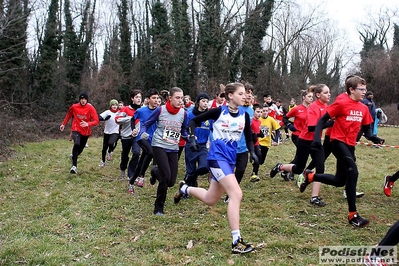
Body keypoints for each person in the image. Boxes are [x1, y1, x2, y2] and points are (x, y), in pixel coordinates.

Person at [174, 82, 258, 254]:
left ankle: (185, 189)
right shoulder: (219, 111)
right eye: (241, 94)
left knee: (210, 199)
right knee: (236, 194)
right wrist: (191, 137)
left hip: (230, 160)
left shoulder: (245, 115)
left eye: (245, 94)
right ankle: (236, 241)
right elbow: (193, 122)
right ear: (230, 96)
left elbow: (249, 137)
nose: (245, 96)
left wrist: (253, 152)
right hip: (216, 159)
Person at [301, 75, 381, 227]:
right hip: (337, 142)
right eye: (361, 89)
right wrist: (317, 139)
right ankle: (353, 215)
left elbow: (367, 130)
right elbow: (322, 120)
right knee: (353, 172)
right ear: (351, 90)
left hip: (350, 145)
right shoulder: (341, 103)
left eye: (365, 89)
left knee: (340, 181)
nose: (364, 92)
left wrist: (374, 138)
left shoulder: (364, 108)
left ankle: (311, 176)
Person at [270, 84, 331, 207]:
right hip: (305, 140)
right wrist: (330, 123)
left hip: (316, 141)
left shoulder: (325, 106)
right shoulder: (313, 108)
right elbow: (312, 127)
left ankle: (314, 197)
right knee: (298, 168)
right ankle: (280, 167)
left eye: (329, 92)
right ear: (318, 95)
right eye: (326, 92)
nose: (329, 94)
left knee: (320, 167)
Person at [139, 87, 188, 215]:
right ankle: (158, 208)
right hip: (159, 145)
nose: (180, 100)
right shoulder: (161, 110)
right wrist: (143, 132)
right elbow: (146, 123)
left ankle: (155, 171)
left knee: (171, 182)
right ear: (170, 98)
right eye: (177, 98)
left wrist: (188, 137)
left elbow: (183, 130)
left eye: (181, 98)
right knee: (165, 177)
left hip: (173, 147)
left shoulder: (184, 113)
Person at [127, 89, 159, 193]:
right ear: (148, 100)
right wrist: (134, 129)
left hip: (152, 139)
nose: (156, 100)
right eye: (153, 98)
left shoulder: (159, 111)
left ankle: (131, 183)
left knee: (141, 161)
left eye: (157, 98)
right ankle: (141, 176)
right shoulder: (141, 110)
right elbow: (132, 119)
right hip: (141, 137)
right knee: (151, 152)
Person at [60, 91, 99, 174]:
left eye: (85, 99)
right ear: (79, 100)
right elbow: (68, 115)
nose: (83, 100)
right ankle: (74, 166)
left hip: (86, 132)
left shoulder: (90, 108)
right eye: (81, 99)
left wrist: (88, 123)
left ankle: (74, 156)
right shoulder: (74, 107)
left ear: (87, 100)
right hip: (76, 128)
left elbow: (96, 121)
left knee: (80, 149)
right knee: (76, 144)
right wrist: (63, 124)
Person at [281, 90, 314, 181]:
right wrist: (290, 126)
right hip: (297, 135)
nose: (311, 98)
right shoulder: (297, 109)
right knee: (300, 156)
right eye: (309, 96)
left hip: (307, 136)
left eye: (312, 97)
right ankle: (289, 171)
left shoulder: (312, 109)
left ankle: (286, 170)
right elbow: (285, 118)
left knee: (300, 156)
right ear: (303, 97)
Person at [184, 92, 212, 187]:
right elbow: (184, 129)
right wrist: (189, 136)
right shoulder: (189, 115)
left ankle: (191, 179)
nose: (205, 103)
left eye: (207, 102)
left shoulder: (210, 116)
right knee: (190, 171)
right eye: (203, 101)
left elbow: (213, 129)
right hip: (191, 145)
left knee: (204, 166)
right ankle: (186, 187)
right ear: (197, 102)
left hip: (203, 146)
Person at [115, 90, 142, 179]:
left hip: (136, 136)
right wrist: (130, 119)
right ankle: (123, 169)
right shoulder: (125, 109)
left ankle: (131, 174)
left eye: (140, 97)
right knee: (125, 155)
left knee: (137, 153)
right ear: (132, 98)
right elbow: (117, 120)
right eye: (137, 97)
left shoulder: (142, 110)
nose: (139, 99)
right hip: (125, 136)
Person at [98, 99, 120, 167]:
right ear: (110, 106)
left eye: (116, 105)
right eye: (113, 105)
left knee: (111, 143)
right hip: (107, 132)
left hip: (115, 131)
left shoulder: (120, 112)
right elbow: (98, 117)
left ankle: (110, 151)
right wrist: (104, 119)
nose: (114, 106)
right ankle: (103, 161)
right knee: (104, 148)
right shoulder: (107, 112)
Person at [258, 105, 280, 170]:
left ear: (268, 111)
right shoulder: (258, 119)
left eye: (266, 111)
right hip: (258, 142)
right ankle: (255, 171)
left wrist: (276, 139)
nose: (265, 112)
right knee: (257, 157)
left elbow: (277, 130)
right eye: (263, 111)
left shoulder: (271, 120)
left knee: (261, 161)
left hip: (267, 142)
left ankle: (258, 165)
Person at [249, 104, 263, 182]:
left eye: (260, 112)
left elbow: (258, 131)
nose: (259, 114)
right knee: (255, 158)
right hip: (249, 143)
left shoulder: (259, 121)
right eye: (258, 112)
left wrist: (261, 134)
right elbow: (249, 132)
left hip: (256, 143)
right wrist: (255, 134)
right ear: (253, 112)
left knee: (259, 156)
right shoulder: (250, 121)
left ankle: (255, 173)